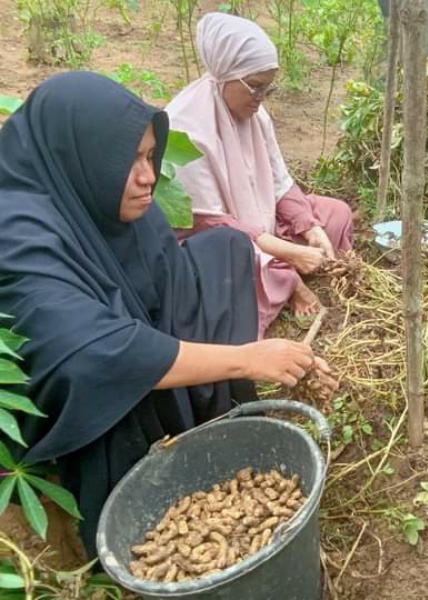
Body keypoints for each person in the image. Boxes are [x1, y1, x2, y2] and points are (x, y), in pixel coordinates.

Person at [0, 72, 337, 555]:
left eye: (149, 156)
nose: (149, 176)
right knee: (116, 386)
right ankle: (131, 497)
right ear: (77, 159)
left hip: (122, 334)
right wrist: (246, 358)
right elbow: (93, 355)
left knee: (225, 249)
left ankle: (201, 415)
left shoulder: (111, 203)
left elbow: (164, 278)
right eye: (129, 161)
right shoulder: (17, 233)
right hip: (79, 393)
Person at [166, 13, 354, 337]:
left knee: (335, 214)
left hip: (260, 225)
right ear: (226, 75)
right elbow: (213, 225)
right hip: (219, 244)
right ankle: (289, 281)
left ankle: (284, 271)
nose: (262, 98)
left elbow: (280, 181)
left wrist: (310, 229)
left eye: (268, 88)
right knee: (234, 276)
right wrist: (287, 251)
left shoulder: (255, 113)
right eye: (255, 88)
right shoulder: (186, 127)